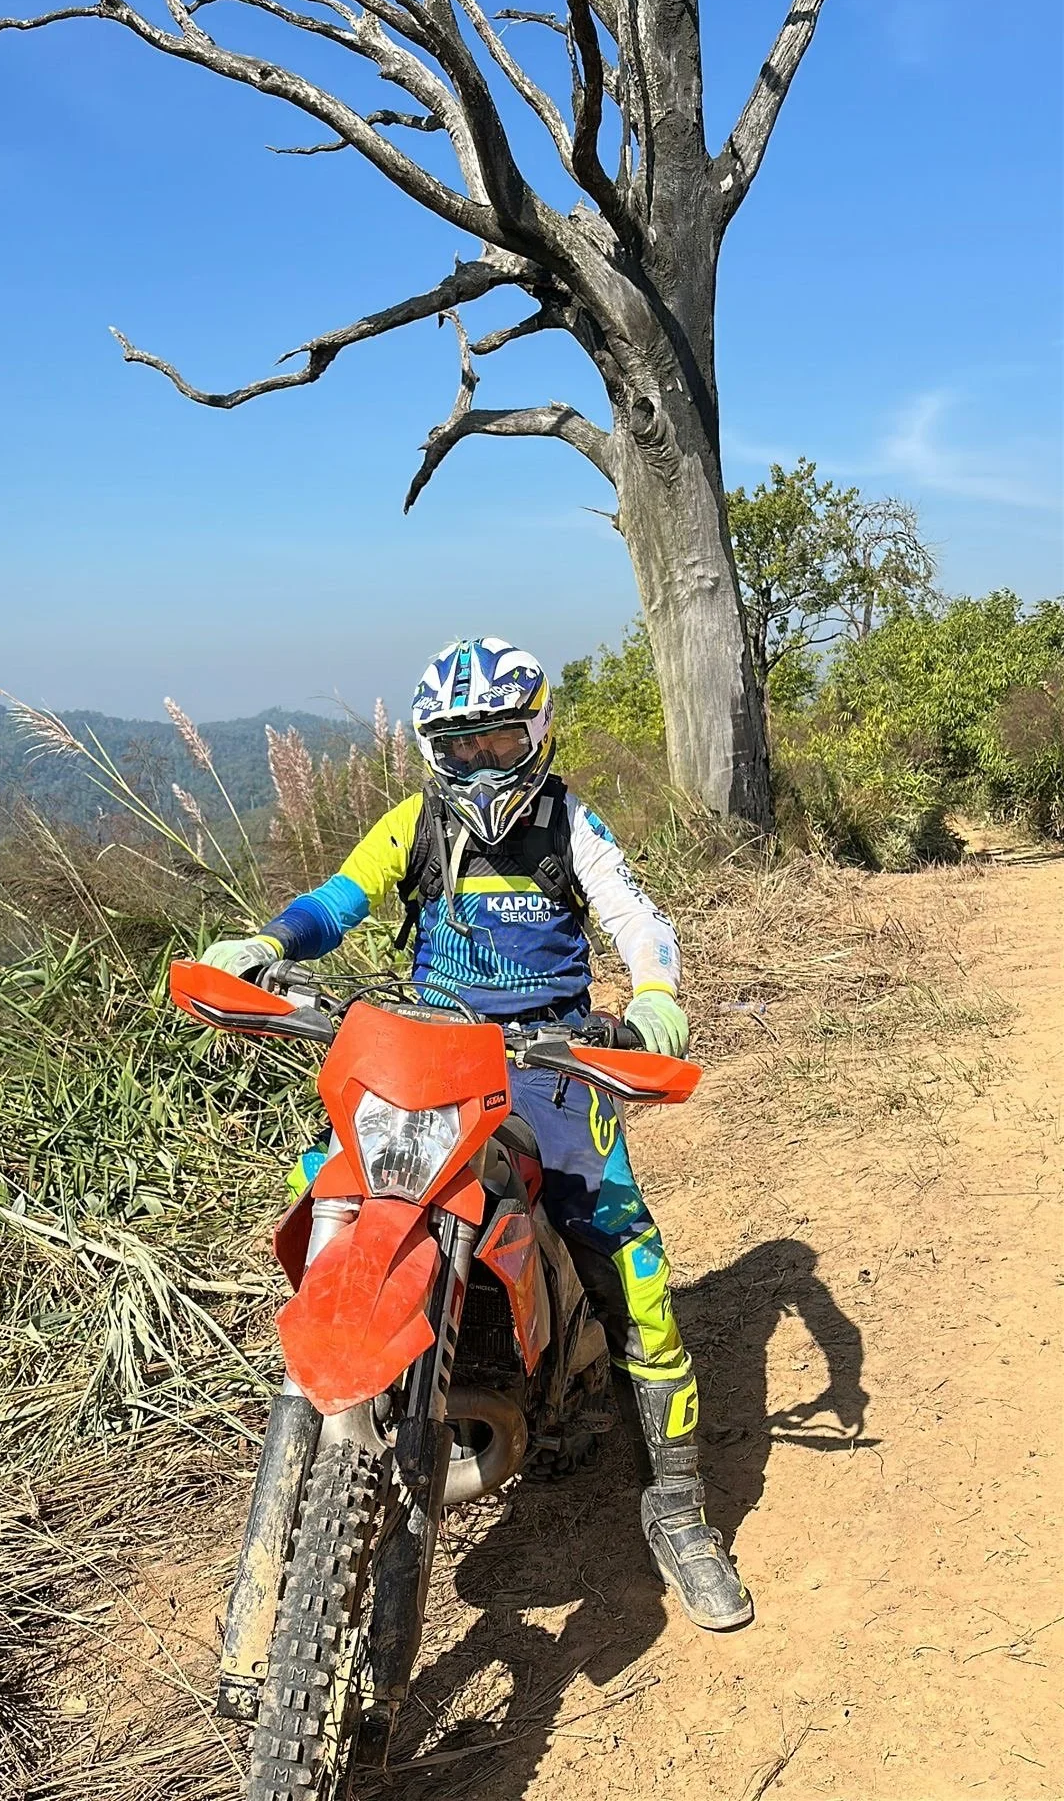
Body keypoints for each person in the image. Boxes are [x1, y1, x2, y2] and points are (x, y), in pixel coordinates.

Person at [202, 637, 751, 1632]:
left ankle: (679, 1506)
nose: (485, 760)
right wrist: (268, 944)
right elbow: (339, 898)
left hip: (552, 1066)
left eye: (502, 736)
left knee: (636, 1272)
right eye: (462, 743)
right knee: (334, 1182)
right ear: (432, 748)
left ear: (537, 730)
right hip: (429, 1059)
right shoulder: (413, 821)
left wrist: (658, 993)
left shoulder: (567, 821)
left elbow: (638, 915)